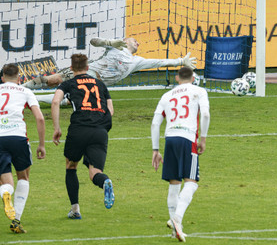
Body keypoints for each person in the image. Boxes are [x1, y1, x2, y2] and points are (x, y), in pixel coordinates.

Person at [24, 37, 197, 99]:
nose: (138, 42)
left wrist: (181, 60)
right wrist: (109, 42)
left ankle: (33, 100)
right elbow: (93, 41)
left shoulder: (137, 61)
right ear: (125, 40)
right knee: (52, 80)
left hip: (96, 84)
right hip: (86, 71)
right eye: (134, 39)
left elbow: (159, 63)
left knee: (69, 101)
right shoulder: (115, 46)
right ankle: (20, 89)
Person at [51, 54, 115, 219]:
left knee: (71, 166)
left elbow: (56, 102)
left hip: (78, 129)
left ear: (71, 68)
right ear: (88, 68)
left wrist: (57, 127)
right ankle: (105, 182)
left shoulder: (68, 83)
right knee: (95, 171)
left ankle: (75, 210)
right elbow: (110, 109)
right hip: (100, 131)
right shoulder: (100, 84)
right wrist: (101, 125)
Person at [151, 66, 210, 242]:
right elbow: (205, 114)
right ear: (193, 78)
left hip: (170, 139)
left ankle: (175, 229)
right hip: (187, 138)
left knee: (174, 184)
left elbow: (155, 123)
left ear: (177, 78)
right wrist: (203, 139)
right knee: (191, 183)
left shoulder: (166, 96)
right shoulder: (199, 91)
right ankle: (176, 218)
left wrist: (155, 149)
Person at [0, 64, 46, 234]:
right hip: (18, 138)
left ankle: (6, 193)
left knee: (6, 182)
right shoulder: (25, 91)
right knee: (23, 177)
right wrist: (41, 144)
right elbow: (40, 119)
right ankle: (16, 219)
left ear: (2, 78)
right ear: (19, 78)